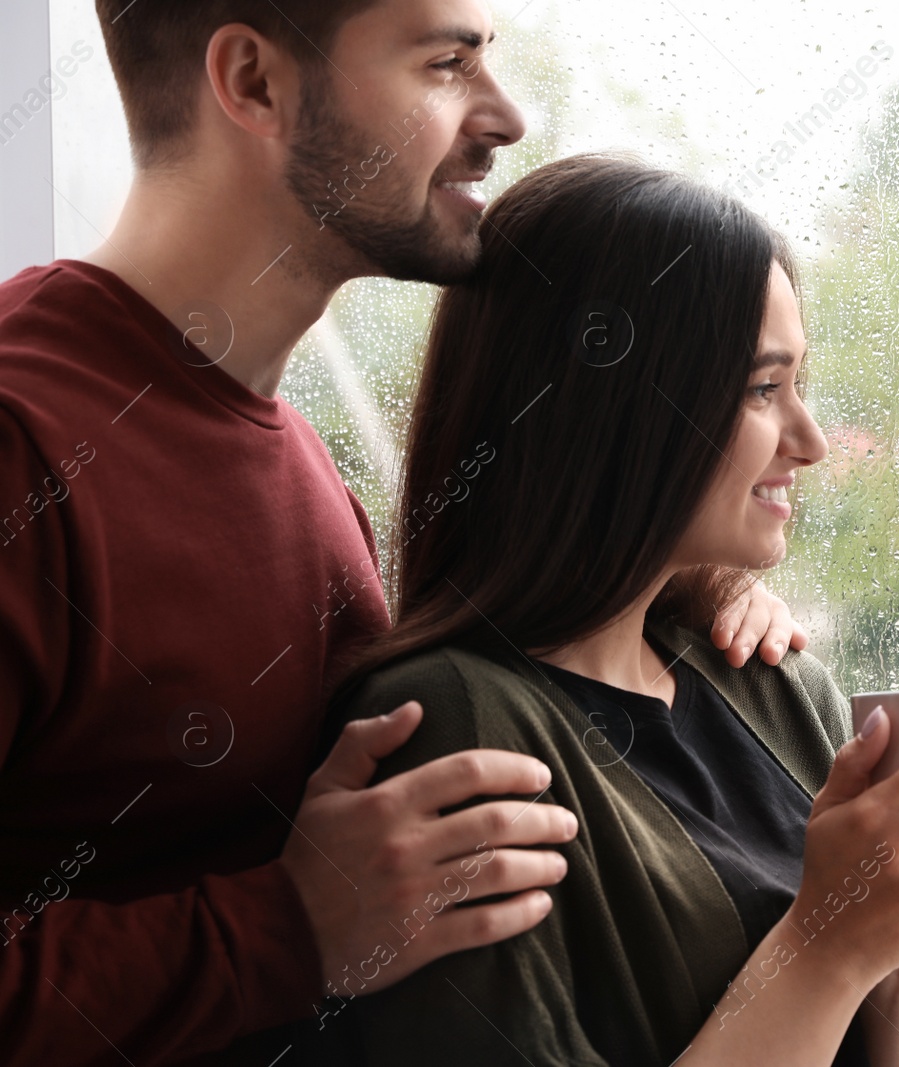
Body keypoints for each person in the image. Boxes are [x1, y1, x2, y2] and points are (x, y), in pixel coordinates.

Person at [0, 3, 804, 1064]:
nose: (505, 115)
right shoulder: (25, 441)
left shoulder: (291, 452)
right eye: (445, 62)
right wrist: (286, 926)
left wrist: (674, 593)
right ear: (254, 82)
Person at [299, 153, 899, 1066]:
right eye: (763, 390)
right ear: (612, 407)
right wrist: (832, 944)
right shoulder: (452, 727)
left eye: (798, 384)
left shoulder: (775, 685)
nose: (811, 442)